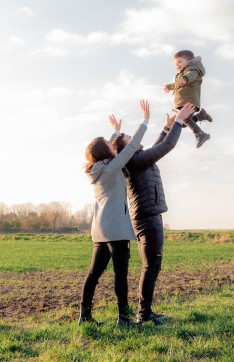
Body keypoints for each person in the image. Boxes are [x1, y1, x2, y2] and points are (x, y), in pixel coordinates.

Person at [111, 103, 195, 326]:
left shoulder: (137, 159)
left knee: (151, 265)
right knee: (151, 266)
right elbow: (166, 147)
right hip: (148, 217)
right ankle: (144, 314)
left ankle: (145, 312)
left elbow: (156, 147)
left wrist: (166, 128)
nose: (137, 139)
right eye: (131, 138)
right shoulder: (135, 160)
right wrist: (179, 122)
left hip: (146, 215)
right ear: (125, 149)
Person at [78, 100, 150, 328]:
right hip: (117, 228)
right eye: (109, 146)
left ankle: (85, 316)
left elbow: (103, 147)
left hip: (100, 230)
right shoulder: (111, 167)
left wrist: (116, 131)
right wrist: (145, 121)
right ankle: (123, 319)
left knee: (93, 274)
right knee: (121, 274)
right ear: (105, 152)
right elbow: (130, 148)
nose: (112, 146)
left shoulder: (96, 168)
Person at [164, 49, 213, 148]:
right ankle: (201, 116)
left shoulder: (192, 69)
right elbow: (179, 84)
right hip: (183, 101)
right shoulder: (183, 73)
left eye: (179, 62)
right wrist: (169, 87)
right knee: (180, 124)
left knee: (183, 119)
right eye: (176, 63)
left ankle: (199, 134)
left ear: (189, 61)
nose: (177, 65)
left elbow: (191, 76)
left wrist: (185, 78)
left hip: (188, 100)